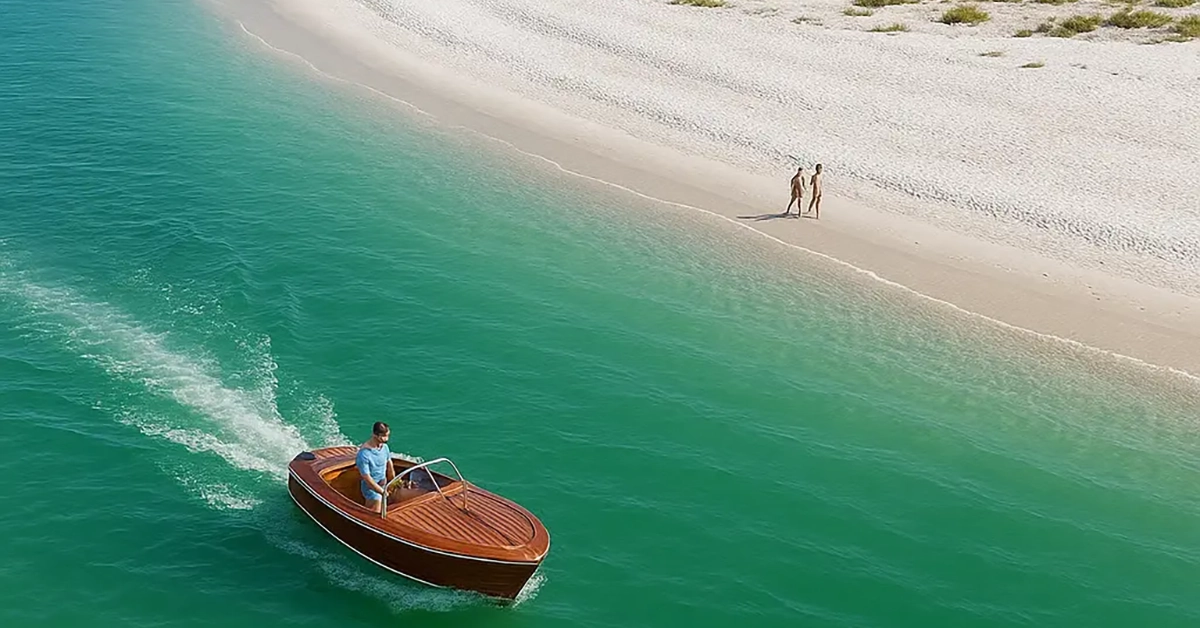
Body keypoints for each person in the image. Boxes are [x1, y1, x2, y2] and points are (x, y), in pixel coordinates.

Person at [356, 421, 395, 513]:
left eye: (388, 435)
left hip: (384, 483)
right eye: (384, 436)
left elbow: (390, 464)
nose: (387, 439)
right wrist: (381, 492)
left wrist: (393, 482)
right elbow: (367, 478)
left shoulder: (384, 447)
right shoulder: (364, 454)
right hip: (371, 488)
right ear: (375, 435)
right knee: (375, 511)